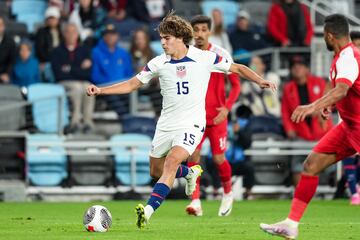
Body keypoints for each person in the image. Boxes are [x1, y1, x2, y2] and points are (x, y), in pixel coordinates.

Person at [86, 12, 275, 229]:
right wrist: (100, 90)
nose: (163, 42)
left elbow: (237, 68)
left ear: (179, 37)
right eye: (161, 38)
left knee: (172, 161)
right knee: (156, 171)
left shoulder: (204, 57)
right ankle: (190, 172)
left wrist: (260, 80)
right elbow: (131, 85)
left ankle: (146, 212)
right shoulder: (158, 62)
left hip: (192, 124)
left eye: (166, 38)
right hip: (166, 124)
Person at [260, 14, 360, 239]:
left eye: (324, 35)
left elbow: (342, 89)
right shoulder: (343, 56)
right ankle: (291, 224)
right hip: (349, 127)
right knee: (311, 165)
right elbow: (346, 92)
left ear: (329, 36)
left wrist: (313, 106)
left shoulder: (348, 57)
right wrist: (330, 105)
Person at [185, 15, 241, 217]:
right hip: (195, 118)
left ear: (210, 31)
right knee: (193, 156)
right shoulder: (186, 53)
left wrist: (226, 108)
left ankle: (227, 193)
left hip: (217, 118)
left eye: (203, 29)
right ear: (191, 32)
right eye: (196, 30)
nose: (199, 34)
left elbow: (236, 84)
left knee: (218, 158)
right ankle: (196, 201)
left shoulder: (220, 53)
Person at [282, 55, 334, 185]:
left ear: (307, 69)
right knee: (297, 165)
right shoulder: (288, 88)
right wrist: (289, 129)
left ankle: (334, 192)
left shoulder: (319, 83)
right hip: (301, 134)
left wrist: (320, 112)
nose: (297, 69)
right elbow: (285, 112)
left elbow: (329, 102)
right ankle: (299, 195)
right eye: (294, 66)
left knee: (331, 164)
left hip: (322, 132)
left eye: (300, 66)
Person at [51, 23, 94, 133]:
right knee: (77, 87)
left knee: (89, 87)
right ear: (64, 34)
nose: (71, 35)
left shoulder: (85, 50)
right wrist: (78, 69)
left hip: (82, 81)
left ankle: (87, 123)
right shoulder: (57, 51)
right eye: (68, 32)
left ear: (77, 34)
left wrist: (70, 69)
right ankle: (74, 123)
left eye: (74, 32)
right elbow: (59, 74)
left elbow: (88, 74)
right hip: (64, 83)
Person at [91, 23, 134, 119]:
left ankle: (129, 121)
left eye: (113, 34)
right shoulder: (96, 52)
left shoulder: (123, 53)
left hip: (122, 88)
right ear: (104, 36)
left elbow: (129, 73)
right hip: (106, 88)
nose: (110, 37)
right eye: (108, 34)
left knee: (131, 96)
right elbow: (95, 75)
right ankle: (127, 121)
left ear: (117, 36)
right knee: (114, 99)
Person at [0, 16, 16, 84]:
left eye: (0, 25)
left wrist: (7, 73)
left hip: (3, 73)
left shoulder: (10, 41)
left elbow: (12, 61)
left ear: (3, 27)